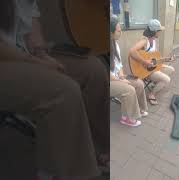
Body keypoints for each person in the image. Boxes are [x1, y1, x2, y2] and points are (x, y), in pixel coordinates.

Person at [0, 0, 109, 178]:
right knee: (63, 91)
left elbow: (33, 35)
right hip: (6, 61)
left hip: (25, 56)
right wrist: (36, 63)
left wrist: (42, 55)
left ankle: (98, 151)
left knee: (94, 71)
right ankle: (55, 173)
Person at [110, 16, 148, 127]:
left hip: (116, 77)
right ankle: (127, 118)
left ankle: (138, 108)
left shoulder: (115, 44)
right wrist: (119, 80)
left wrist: (121, 76)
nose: (120, 32)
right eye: (118, 30)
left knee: (139, 83)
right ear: (110, 32)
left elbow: (119, 64)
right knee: (129, 89)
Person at [129, 19, 175, 105]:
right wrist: (144, 62)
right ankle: (151, 94)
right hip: (145, 71)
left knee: (171, 69)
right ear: (154, 31)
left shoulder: (153, 41)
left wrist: (168, 59)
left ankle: (156, 83)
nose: (160, 32)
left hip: (152, 67)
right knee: (167, 80)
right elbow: (132, 51)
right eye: (159, 30)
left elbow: (154, 58)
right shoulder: (144, 40)